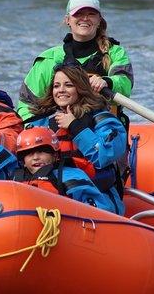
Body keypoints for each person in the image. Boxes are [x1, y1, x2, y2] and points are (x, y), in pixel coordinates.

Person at [24, 63, 126, 214]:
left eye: (68, 85)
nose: (61, 90)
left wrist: (74, 126)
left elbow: (104, 155)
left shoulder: (104, 121)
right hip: (52, 196)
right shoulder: (41, 123)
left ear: (80, 88)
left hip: (98, 199)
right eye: (56, 86)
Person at [17, 0, 133, 125]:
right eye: (78, 14)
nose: (85, 18)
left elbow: (125, 85)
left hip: (103, 131)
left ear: (99, 20)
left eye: (91, 14)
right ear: (67, 20)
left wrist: (107, 82)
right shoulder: (49, 58)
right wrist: (40, 133)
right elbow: (27, 103)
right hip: (58, 132)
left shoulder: (115, 53)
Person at [13, 127, 122, 214]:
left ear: (55, 155)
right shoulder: (16, 179)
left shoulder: (69, 175)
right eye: (29, 154)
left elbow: (99, 211)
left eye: (42, 152)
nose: (36, 157)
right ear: (23, 160)